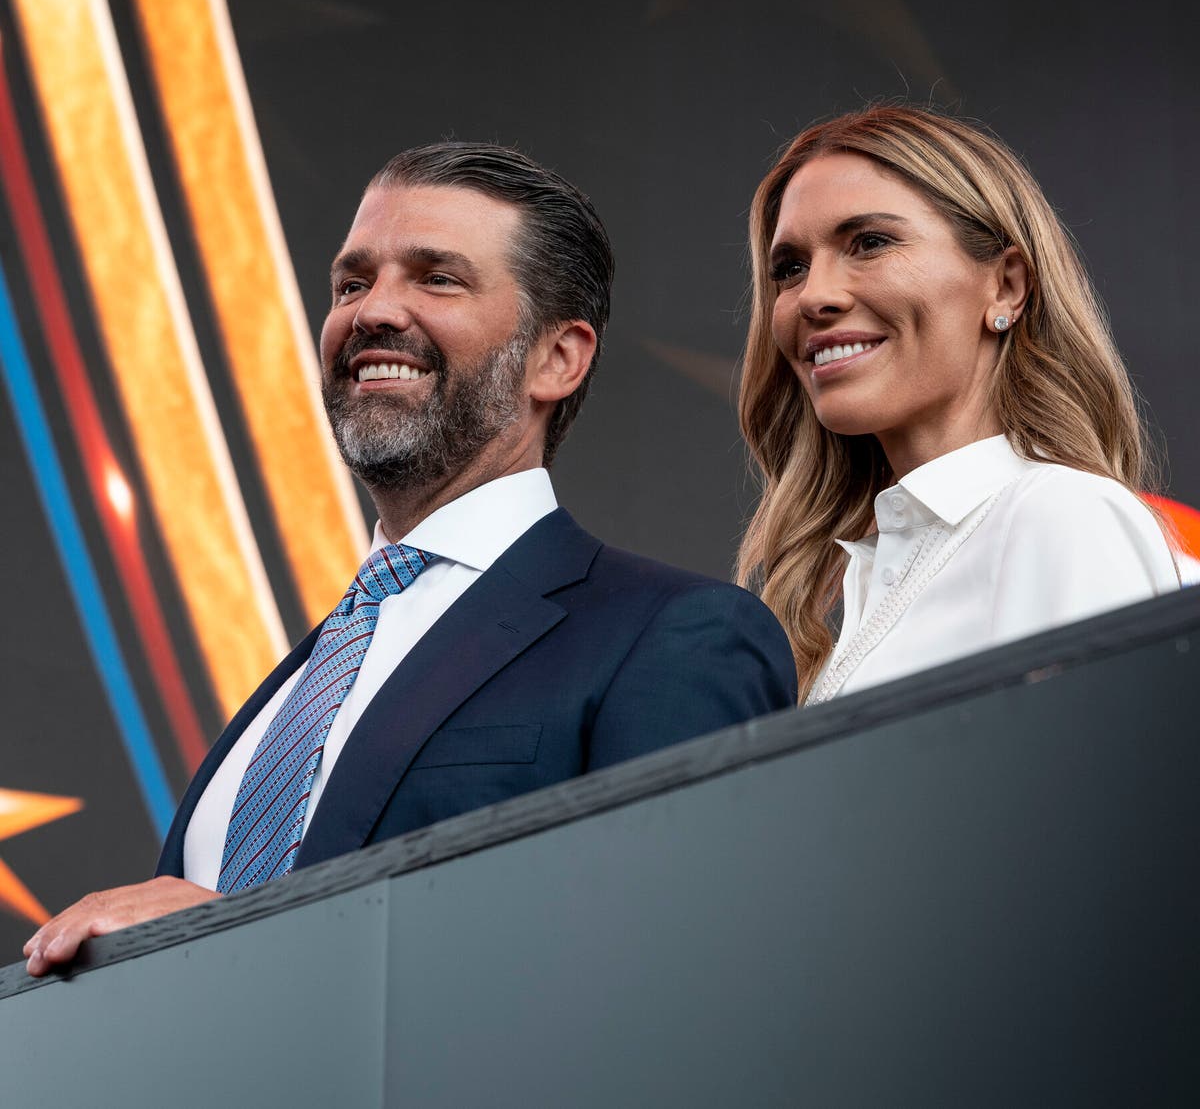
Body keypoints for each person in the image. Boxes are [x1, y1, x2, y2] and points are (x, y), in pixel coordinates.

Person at [25, 143, 797, 975]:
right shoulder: (306, 675)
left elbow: (674, 970)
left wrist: (248, 937)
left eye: (438, 278)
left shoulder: (672, 638)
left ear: (557, 358)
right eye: (352, 283)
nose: (373, 311)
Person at [736, 105, 1180, 705]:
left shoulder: (1063, 514)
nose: (814, 295)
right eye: (791, 268)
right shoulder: (869, 569)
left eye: (870, 242)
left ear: (1006, 286)